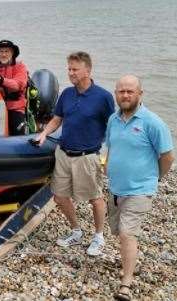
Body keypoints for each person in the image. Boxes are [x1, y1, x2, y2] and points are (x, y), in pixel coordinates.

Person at [34, 51, 115, 256]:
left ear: (87, 70)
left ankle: (98, 236)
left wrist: (111, 154)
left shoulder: (103, 97)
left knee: (95, 198)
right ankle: (76, 231)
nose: (70, 73)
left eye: (75, 69)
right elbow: (57, 119)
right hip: (63, 153)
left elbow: (113, 127)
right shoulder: (67, 94)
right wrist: (43, 133)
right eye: (69, 69)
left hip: (87, 156)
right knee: (60, 196)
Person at [106, 75, 174, 301]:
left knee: (127, 233)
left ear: (140, 94)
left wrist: (154, 179)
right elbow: (112, 148)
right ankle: (129, 258)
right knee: (118, 231)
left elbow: (167, 156)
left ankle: (126, 283)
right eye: (121, 91)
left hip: (140, 190)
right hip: (115, 188)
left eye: (130, 91)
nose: (125, 95)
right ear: (116, 94)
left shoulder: (152, 122)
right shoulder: (113, 120)